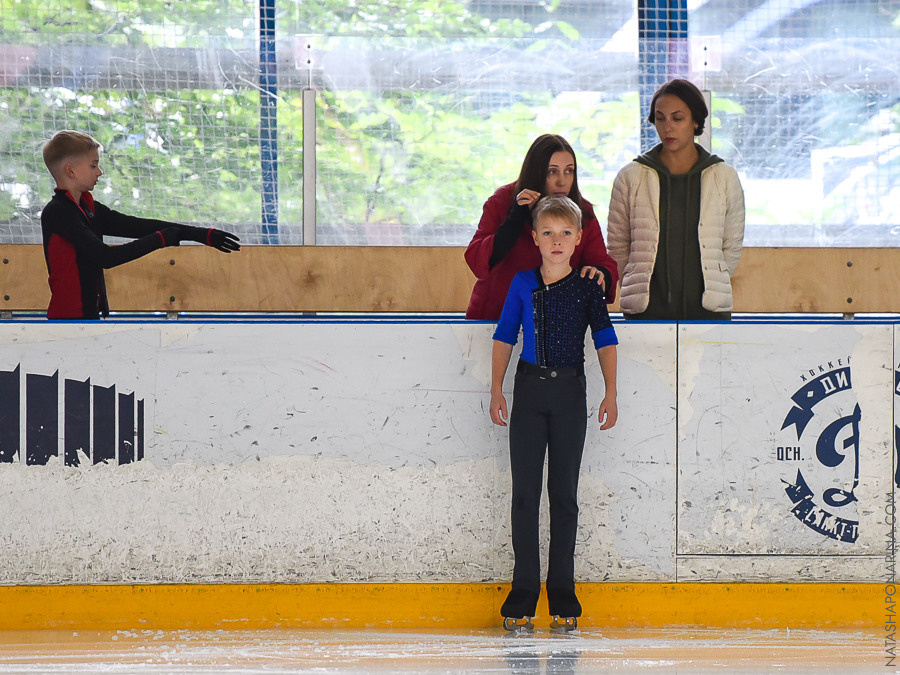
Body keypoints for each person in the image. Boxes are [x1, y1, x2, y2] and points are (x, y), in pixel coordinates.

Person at [490, 195, 618, 631]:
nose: (557, 241)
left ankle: (563, 592)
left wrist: (611, 392)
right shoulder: (522, 283)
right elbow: (505, 335)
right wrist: (496, 388)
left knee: (563, 496)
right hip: (528, 393)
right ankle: (523, 592)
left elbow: (605, 340)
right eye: (548, 233)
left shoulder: (587, 287)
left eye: (565, 233)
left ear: (579, 238)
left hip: (569, 395)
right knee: (525, 496)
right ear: (535, 238)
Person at [40, 130, 240, 319]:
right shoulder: (59, 212)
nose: (99, 172)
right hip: (68, 320)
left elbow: (139, 226)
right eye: (93, 166)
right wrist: (160, 240)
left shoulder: (88, 208)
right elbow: (105, 256)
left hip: (88, 317)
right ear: (71, 171)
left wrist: (200, 234)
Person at [606, 78, 745, 320]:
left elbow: (731, 244)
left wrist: (715, 280)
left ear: (695, 121)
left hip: (708, 311)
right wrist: (633, 282)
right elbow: (618, 244)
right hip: (646, 310)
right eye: (660, 118)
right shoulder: (630, 177)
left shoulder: (723, 176)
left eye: (677, 118)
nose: (668, 127)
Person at [465, 134, 619, 320]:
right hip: (495, 317)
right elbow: (476, 260)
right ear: (535, 172)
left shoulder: (581, 211)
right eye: (552, 172)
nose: (562, 181)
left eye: (569, 171)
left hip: (557, 322)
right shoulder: (503, 200)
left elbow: (603, 265)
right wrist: (514, 221)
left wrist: (600, 275)